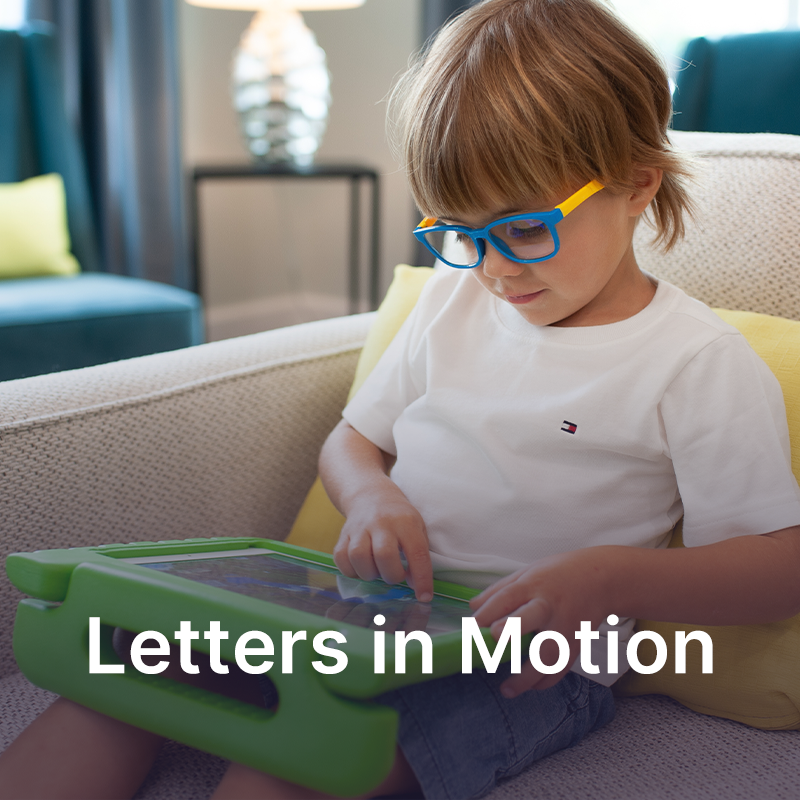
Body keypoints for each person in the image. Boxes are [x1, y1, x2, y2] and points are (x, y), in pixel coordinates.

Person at [1, 1, 800, 799]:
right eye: (460, 231)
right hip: (354, 616)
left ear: (636, 185)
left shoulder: (696, 363)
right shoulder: (454, 301)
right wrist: (371, 495)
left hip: (521, 664)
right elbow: (351, 442)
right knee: (117, 686)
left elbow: (778, 571)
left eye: (523, 231)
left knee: (292, 758)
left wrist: (612, 580)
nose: (494, 268)